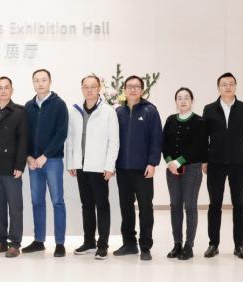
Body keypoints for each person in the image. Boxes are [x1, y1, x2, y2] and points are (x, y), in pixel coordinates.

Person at [202, 72, 243, 260]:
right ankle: (213, 244)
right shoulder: (209, 109)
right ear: (218, 88)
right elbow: (203, 138)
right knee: (214, 205)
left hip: (239, 164)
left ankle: (239, 246)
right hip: (215, 164)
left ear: (235, 86)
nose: (227, 87)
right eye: (224, 84)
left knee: (239, 204)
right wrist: (205, 160)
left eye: (231, 84)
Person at [65, 75, 119, 260]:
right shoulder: (75, 111)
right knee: (86, 205)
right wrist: (71, 162)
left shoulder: (108, 111)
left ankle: (103, 245)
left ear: (99, 88)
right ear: (82, 89)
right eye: (86, 87)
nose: (89, 90)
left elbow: (114, 141)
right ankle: (89, 242)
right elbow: (70, 139)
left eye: (93, 86)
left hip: (99, 167)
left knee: (102, 205)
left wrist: (109, 166)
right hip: (81, 166)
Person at [113, 75, 163, 261]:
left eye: (136, 86)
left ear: (142, 90)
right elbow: (113, 140)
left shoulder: (150, 111)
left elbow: (157, 138)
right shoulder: (118, 112)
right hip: (122, 169)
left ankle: (145, 246)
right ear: (124, 90)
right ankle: (129, 243)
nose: (133, 89)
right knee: (126, 208)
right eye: (129, 86)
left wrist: (152, 163)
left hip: (143, 169)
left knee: (145, 208)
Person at [23, 69, 69, 257]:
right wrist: (28, 156)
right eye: (37, 80)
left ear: (50, 82)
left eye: (44, 80)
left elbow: (62, 133)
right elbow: (24, 134)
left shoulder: (59, 105)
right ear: (33, 83)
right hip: (33, 163)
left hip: (52, 161)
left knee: (57, 201)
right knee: (37, 201)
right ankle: (39, 240)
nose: (40, 83)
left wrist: (45, 156)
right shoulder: (28, 106)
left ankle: (60, 243)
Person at [0, 76, 27, 258]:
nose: (3, 91)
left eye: (6, 87)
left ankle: (14, 243)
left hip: (11, 167)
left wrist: (20, 165)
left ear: (11, 90)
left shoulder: (19, 112)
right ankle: (0, 241)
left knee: (15, 207)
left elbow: (23, 140)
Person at [162, 87, 207, 260]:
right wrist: (169, 161)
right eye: (179, 98)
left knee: (190, 206)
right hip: (172, 170)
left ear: (192, 100)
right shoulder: (170, 120)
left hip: (192, 170)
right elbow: (164, 143)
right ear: (176, 101)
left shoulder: (199, 121)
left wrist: (179, 161)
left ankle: (189, 245)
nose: (183, 100)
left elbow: (198, 146)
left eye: (186, 97)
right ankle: (177, 244)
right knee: (175, 206)